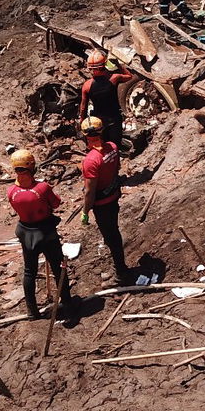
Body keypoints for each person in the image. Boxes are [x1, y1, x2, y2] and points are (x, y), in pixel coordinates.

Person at [5, 149, 79, 324]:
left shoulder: (11, 192)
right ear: (32, 167)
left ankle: (32, 311)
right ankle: (67, 303)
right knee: (58, 267)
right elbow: (55, 203)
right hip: (45, 232)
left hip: (25, 231)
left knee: (29, 271)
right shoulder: (42, 188)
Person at [79, 116, 131, 286]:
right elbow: (116, 169)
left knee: (112, 236)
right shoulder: (113, 147)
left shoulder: (90, 160)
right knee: (113, 233)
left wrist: (85, 211)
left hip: (102, 204)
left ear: (85, 136)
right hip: (114, 195)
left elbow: (89, 191)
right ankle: (119, 267)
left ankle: (120, 273)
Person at [80, 52, 135, 150]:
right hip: (114, 118)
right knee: (115, 146)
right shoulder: (114, 78)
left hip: (99, 122)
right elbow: (129, 76)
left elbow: (83, 107)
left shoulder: (87, 85)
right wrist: (118, 64)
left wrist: (82, 122)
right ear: (104, 65)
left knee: (102, 146)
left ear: (90, 69)